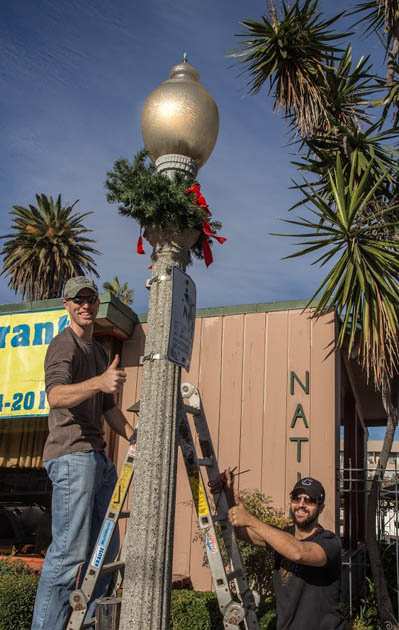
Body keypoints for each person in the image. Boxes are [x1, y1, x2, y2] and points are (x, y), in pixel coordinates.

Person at [31, 276, 134, 630]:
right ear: (66, 304)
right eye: (78, 299)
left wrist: (133, 435)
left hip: (97, 459)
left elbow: (108, 408)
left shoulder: (99, 352)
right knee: (68, 556)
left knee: (103, 554)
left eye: (90, 298)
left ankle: (83, 623)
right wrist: (99, 382)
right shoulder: (65, 345)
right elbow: (56, 395)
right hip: (72, 456)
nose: (85, 304)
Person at [224, 473, 344, 630]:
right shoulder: (283, 537)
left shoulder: (329, 542)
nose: (301, 504)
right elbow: (240, 532)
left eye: (309, 500)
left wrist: (250, 519)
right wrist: (227, 492)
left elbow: (298, 552)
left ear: (321, 508)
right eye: (296, 498)